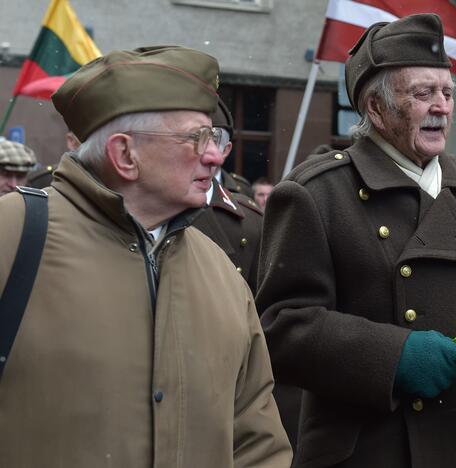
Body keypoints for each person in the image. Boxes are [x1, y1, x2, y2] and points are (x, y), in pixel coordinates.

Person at [256, 14, 456, 468]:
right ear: (375, 109)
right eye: (422, 93)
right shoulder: (317, 194)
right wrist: (395, 357)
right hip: (380, 451)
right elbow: (280, 329)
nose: (442, 106)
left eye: (447, 93)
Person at [0, 45, 291, 467]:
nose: (215, 155)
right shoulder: (13, 234)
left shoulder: (221, 270)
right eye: (196, 138)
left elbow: (257, 440)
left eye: (216, 138)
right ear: (125, 155)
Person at [191, 98, 264, 292]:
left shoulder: (251, 222)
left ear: (226, 150)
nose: (209, 154)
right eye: (194, 139)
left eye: (215, 140)